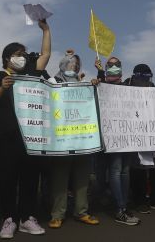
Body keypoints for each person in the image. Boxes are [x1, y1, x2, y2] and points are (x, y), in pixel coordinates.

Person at [0, 19, 51, 239]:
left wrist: (45, 29)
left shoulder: (31, 76)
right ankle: (9, 219)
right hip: (6, 138)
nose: (22, 57)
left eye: (24, 54)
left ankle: (27, 217)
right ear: (7, 58)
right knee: (6, 178)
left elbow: (44, 55)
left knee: (30, 179)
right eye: (17, 54)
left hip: (31, 138)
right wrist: (1, 88)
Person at [47, 50, 99, 229]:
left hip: (82, 140)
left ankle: (82, 212)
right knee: (60, 180)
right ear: (62, 65)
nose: (73, 67)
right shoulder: (53, 82)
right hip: (62, 141)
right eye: (70, 64)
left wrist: (92, 85)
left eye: (76, 65)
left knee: (82, 179)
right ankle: (57, 214)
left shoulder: (82, 83)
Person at [93, 57, 141, 226]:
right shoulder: (100, 87)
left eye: (116, 64)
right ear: (106, 68)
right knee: (115, 170)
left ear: (121, 68)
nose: (113, 67)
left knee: (125, 171)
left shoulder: (129, 87)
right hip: (111, 138)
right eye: (110, 64)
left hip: (127, 137)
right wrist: (96, 81)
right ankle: (119, 208)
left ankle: (123, 204)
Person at [123, 64, 155, 215]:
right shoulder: (126, 86)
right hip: (135, 136)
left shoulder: (153, 88)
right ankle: (140, 201)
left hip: (153, 136)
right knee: (138, 171)